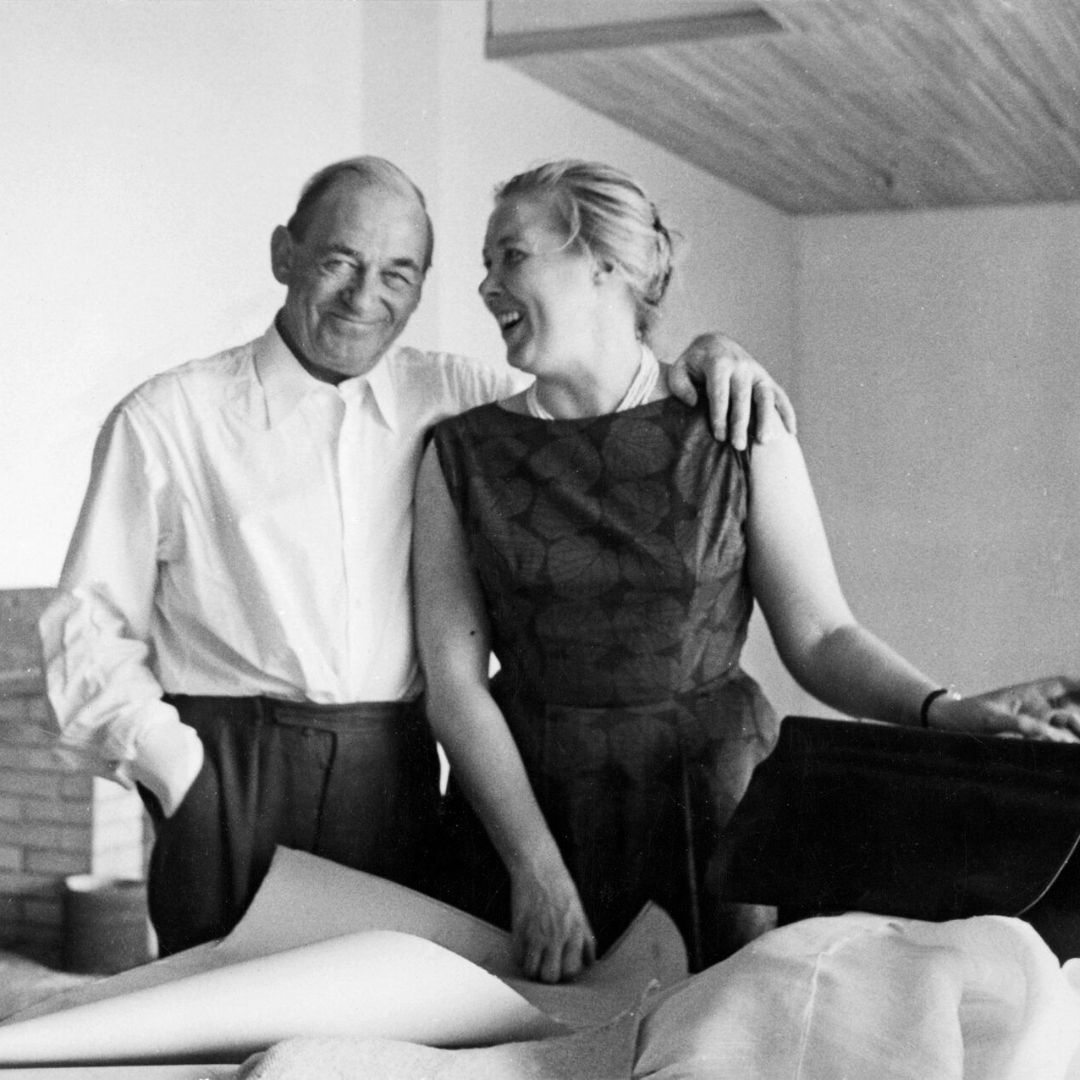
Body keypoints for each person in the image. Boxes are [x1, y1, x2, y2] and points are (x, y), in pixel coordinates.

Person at [37, 155, 795, 957]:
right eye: (340, 262)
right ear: (284, 254)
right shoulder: (169, 416)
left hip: (396, 775)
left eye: (399, 274)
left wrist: (713, 356)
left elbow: (594, 388)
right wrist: (179, 773)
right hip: (232, 768)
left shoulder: (457, 396)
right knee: (222, 1016)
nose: (365, 296)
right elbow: (87, 625)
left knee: (396, 1014)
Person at [413, 158, 1080, 984]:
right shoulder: (461, 453)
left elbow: (822, 634)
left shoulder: (736, 422)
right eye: (486, 264)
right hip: (526, 814)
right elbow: (454, 684)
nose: (487, 286)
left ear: (606, 266)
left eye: (511, 256)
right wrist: (535, 869)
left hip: (710, 806)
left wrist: (941, 711)